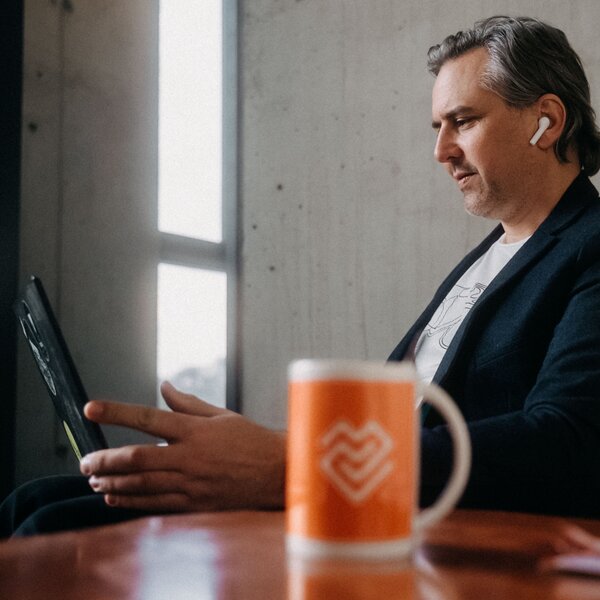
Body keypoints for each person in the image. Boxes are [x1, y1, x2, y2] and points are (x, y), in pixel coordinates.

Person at [3, 15, 600, 536]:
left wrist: (291, 466)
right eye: (437, 127)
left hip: (420, 520)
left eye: (462, 121)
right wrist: (260, 452)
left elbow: (568, 444)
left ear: (545, 121)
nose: (441, 150)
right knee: (31, 501)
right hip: (357, 491)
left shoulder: (589, 244)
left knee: (48, 525)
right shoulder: (495, 254)